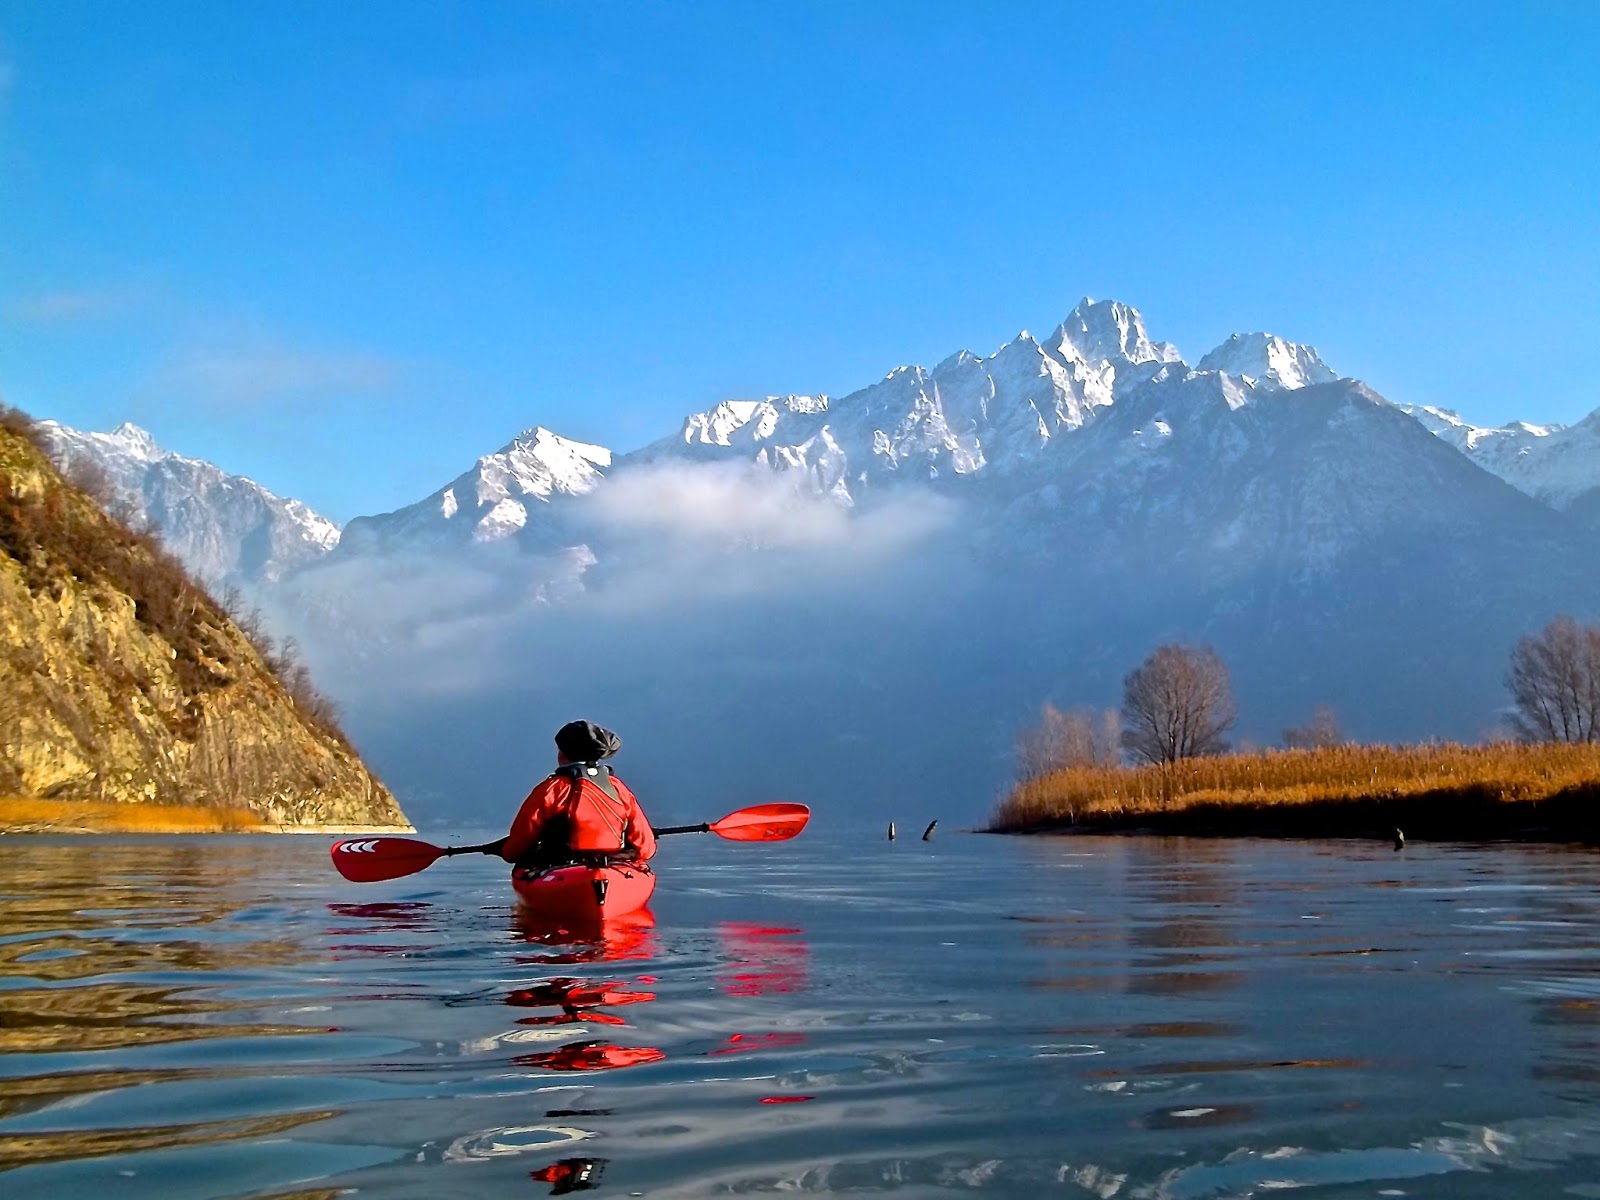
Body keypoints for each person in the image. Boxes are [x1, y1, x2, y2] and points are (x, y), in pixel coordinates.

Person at [497, 720, 656, 870]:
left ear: (562, 755)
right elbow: (646, 849)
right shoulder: (619, 789)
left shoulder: (551, 790)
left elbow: (514, 850)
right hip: (613, 867)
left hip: (562, 869)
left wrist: (507, 851)